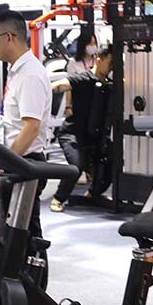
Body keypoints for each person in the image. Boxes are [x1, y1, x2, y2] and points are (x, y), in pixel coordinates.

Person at [0, 10, 52, 240]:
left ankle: (35, 266)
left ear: (9, 37)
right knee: (13, 233)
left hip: (25, 163)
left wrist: (6, 163)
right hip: (16, 161)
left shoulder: (30, 74)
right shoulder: (16, 70)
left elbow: (31, 127)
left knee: (24, 234)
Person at [49, 46, 114, 212]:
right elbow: (59, 86)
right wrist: (39, 91)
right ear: (99, 60)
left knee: (112, 162)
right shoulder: (83, 79)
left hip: (94, 136)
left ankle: (93, 194)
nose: (112, 67)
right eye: (110, 63)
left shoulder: (109, 84)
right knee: (76, 166)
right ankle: (58, 198)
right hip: (71, 133)